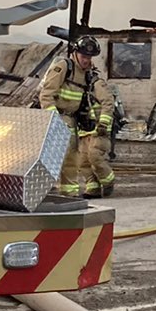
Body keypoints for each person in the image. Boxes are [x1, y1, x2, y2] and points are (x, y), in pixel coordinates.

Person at [39, 36, 117, 197]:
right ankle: (66, 192)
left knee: (74, 156)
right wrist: (55, 119)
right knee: (67, 154)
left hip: (73, 119)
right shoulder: (63, 67)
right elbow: (46, 95)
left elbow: (105, 100)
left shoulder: (89, 75)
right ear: (75, 53)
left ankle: (70, 192)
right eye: (84, 56)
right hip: (60, 116)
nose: (86, 60)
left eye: (89, 57)